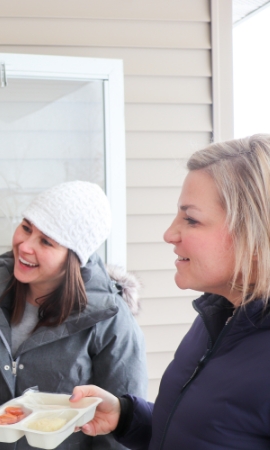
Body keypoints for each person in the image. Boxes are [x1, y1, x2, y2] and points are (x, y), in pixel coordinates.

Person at [71, 134, 270, 449]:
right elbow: (196, 432)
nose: (169, 233)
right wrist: (124, 416)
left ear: (255, 237)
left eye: (191, 219)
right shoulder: (217, 318)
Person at [0, 180, 148, 449]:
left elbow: (119, 424)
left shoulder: (109, 320)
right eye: (26, 228)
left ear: (73, 257)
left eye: (46, 241)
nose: (25, 246)